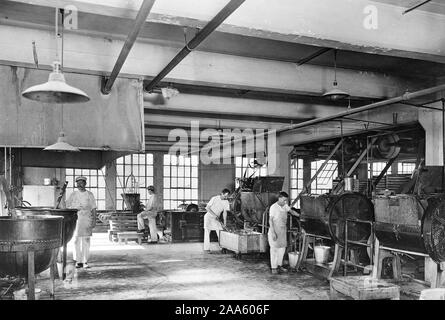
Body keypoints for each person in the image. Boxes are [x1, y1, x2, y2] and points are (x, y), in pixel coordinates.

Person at [66, 176, 97, 269]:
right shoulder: (73, 194)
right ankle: (78, 261)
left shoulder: (89, 194)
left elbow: (93, 208)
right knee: (76, 241)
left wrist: (94, 220)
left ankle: (85, 261)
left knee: (86, 241)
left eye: (81, 183)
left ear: (85, 184)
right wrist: (74, 207)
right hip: (75, 219)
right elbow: (67, 205)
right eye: (78, 183)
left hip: (86, 219)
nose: (79, 185)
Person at [268, 191, 297, 274]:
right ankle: (274, 268)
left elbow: (291, 211)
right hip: (275, 230)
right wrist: (273, 232)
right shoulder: (273, 207)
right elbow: (270, 221)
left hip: (282, 231)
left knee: (282, 249)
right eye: (284, 200)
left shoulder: (284, 206)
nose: (285, 202)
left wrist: (300, 215)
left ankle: (279, 265)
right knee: (274, 249)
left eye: (286, 200)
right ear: (279, 198)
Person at [203, 188, 231, 252]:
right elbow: (207, 208)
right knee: (207, 232)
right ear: (222, 193)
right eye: (225, 196)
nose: (226, 197)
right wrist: (214, 215)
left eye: (227, 196)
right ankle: (206, 249)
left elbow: (224, 212)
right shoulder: (214, 198)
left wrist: (224, 223)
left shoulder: (226, 202)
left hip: (216, 218)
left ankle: (223, 247)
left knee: (220, 231)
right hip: (209, 217)